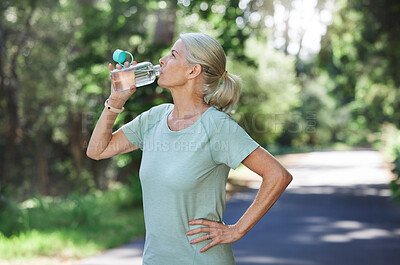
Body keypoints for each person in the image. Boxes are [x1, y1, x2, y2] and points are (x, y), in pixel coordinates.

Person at [86, 32, 293, 265]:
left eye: (173, 55)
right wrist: (116, 101)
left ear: (193, 71)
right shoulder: (154, 118)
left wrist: (237, 230)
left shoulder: (217, 127)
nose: (162, 60)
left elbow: (278, 175)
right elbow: (97, 151)